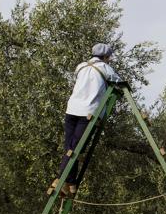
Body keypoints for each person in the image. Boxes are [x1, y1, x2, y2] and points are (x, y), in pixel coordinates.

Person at [52, 43, 121, 195]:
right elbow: (120, 82)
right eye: (108, 57)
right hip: (87, 112)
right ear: (105, 57)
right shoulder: (105, 68)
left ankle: (70, 182)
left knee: (69, 147)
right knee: (76, 149)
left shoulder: (81, 66)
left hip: (71, 110)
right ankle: (61, 179)